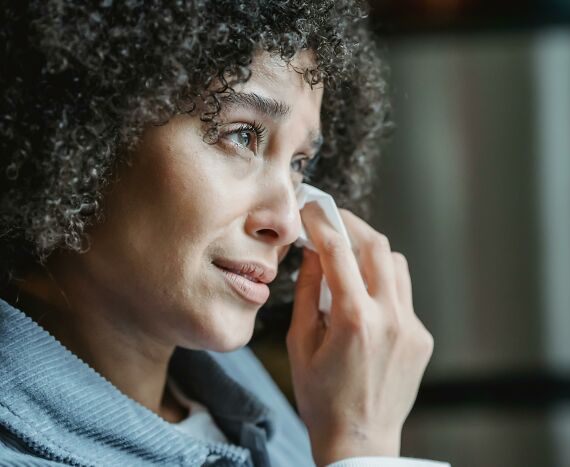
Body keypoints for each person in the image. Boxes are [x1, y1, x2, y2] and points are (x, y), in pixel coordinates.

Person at [0, 1, 445, 466]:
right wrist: (362, 448)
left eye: (300, 164)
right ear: (89, 126)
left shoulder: (224, 384)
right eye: (242, 136)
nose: (289, 222)